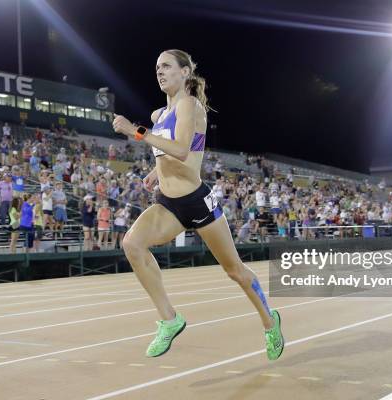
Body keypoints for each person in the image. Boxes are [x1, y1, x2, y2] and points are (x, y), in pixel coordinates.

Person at [111, 49, 283, 359]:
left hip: (197, 201)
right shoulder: (159, 114)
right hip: (168, 204)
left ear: (185, 72)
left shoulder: (189, 105)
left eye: (166, 66)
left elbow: (179, 150)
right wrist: (154, 172)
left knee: (236, 272)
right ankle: (169, 319)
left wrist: (135, 132)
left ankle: (270, 323)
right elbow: (183, 151)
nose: (159, 72)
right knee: (133, 244)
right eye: (157, 68)